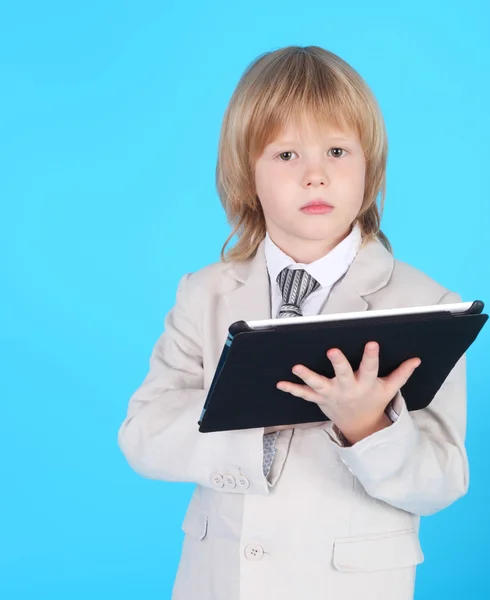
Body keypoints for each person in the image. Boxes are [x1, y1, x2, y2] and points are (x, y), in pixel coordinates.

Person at [117, 45, 469, 600]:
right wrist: (251, 426)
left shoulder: (426, 305)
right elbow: (144, 435)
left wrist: (369, 427)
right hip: (220, 582)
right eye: (285, 155)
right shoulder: (203, 294)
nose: (315, 176)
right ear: (246, 173)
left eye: (337, 151)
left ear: (369, 168)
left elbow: (442, 481)